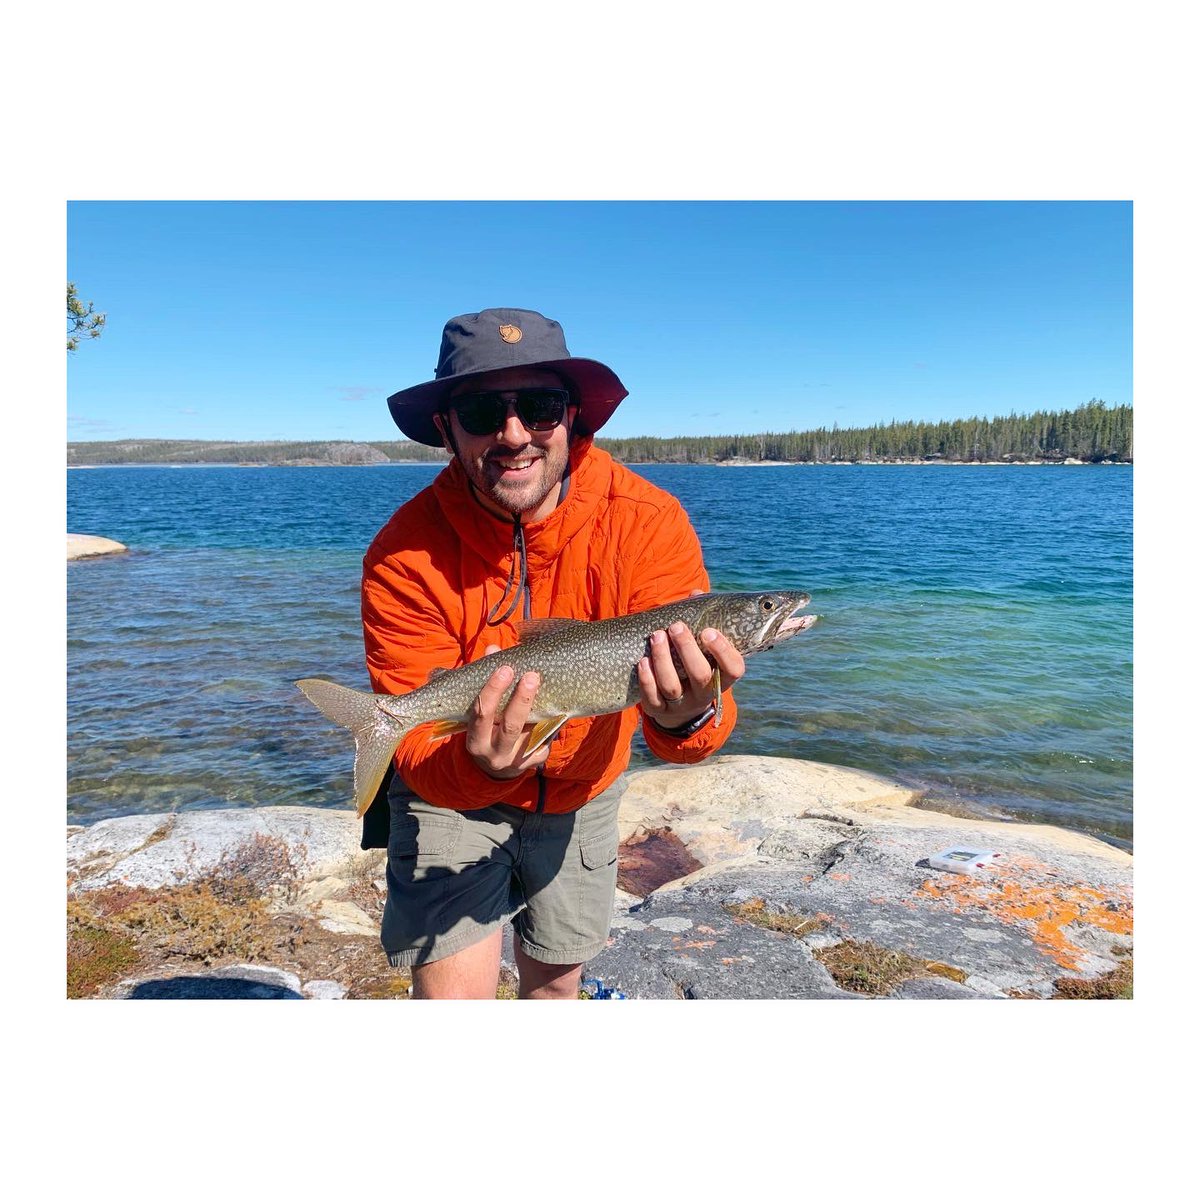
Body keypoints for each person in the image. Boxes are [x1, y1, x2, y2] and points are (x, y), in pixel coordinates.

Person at [361, 307, 746, 999]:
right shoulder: (402, 553)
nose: (514, 436)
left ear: (574, 417)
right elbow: (418, 751)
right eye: (482, 411)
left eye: (538, 408)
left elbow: (691, 743)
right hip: (453, 796)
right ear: (446, 427)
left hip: (584, 791)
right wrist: (476, 765)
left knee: (555, 994)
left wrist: (687, 716)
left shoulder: (649, 522)